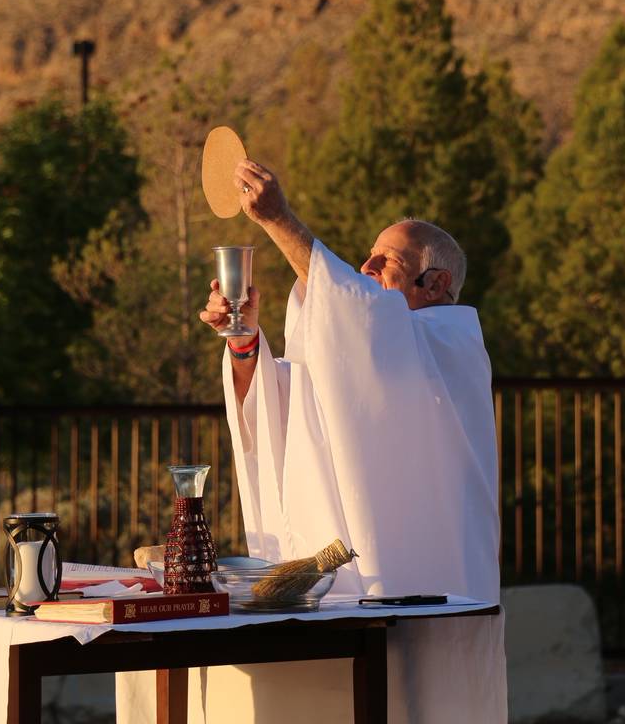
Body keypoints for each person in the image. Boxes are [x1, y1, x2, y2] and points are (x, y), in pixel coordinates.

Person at [197, 158, 507, 724]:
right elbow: (279, 408)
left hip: (419, 579)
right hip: (331, 584)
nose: (363, 266)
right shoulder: (361, 346)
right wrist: (244, 341)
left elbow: (364, 322)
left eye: (385, 261)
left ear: (436, 283)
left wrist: (279, 220)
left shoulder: (450, 341)